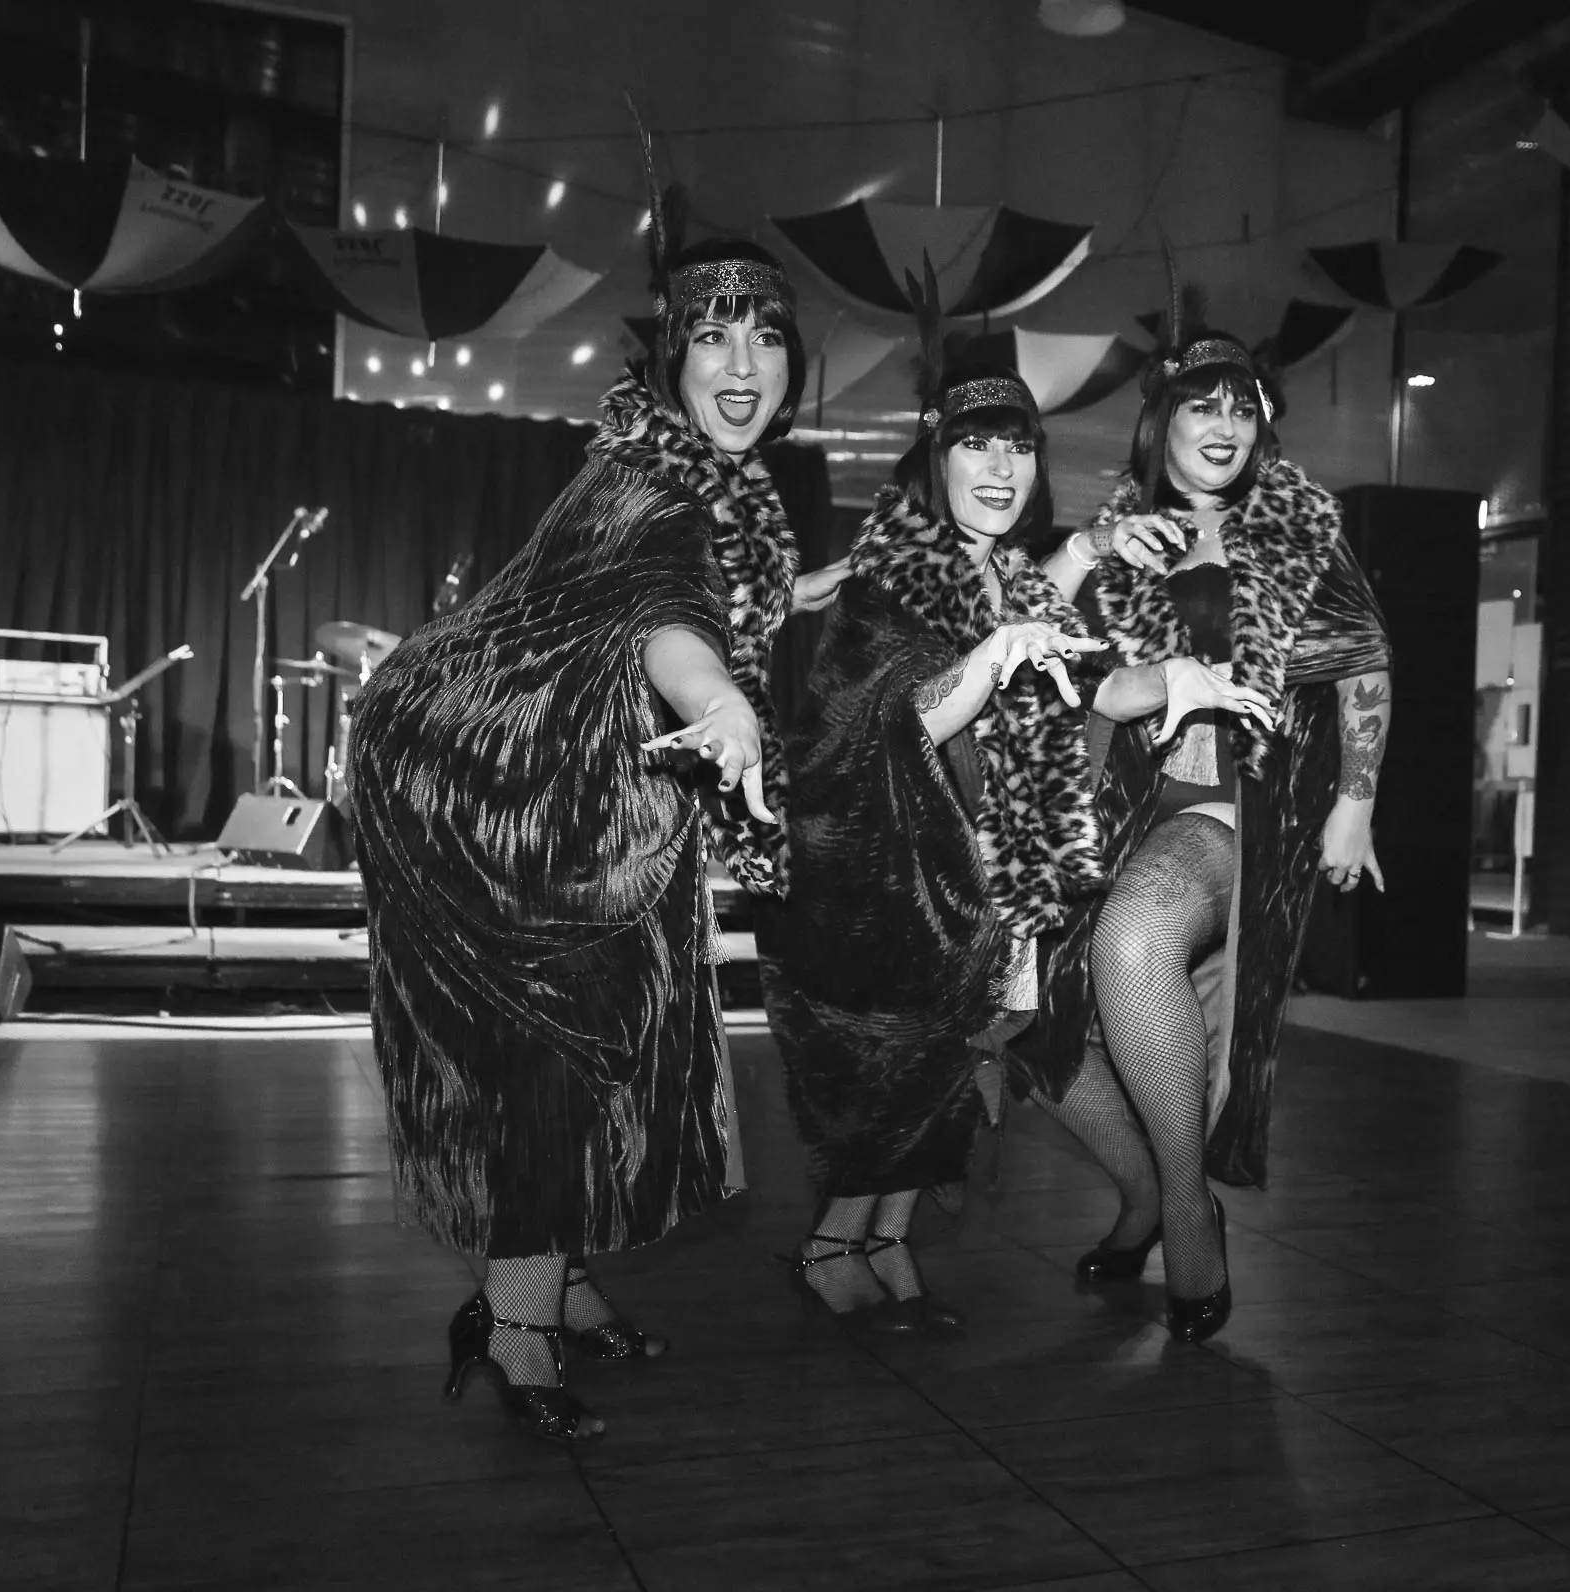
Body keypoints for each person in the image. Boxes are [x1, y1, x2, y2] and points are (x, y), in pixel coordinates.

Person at [346, 237, 843, 1440]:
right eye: (713, 336)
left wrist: (828, 588)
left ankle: (553, 1289)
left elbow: (721, 596)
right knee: (556, 1061)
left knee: (605, 1039)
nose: (741, 363)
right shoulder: (653, 485)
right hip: (494, 789)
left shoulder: (710, 484)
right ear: (674, 356)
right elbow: (669, 613)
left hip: (578, 785)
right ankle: (513, 1327)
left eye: (765, 337)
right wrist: (721, 701)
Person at [1017, 332, 1393, 1344]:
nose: (1225, 425)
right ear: (1163, 421)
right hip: (1114, 811)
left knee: (1132, 944)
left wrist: (1354, 802)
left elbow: (1364, 663)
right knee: (1015, 1022)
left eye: (1245, 406)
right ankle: (1142, 1194)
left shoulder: (1299, 529)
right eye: (1202, 405)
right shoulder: (1122, 532)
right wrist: (1092, 551)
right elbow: (1032, 651)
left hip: (1240, 806)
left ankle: (1188, 1211)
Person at [761, 365, 1107, 1334]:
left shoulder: (1010, 570)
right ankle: (835, 1242)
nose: (1001, 467)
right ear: (935, 458)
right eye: (977, 444)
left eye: (1020, 445)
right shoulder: (894, 568)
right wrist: (995, 657)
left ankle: (885, 1240)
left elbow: (1066, 673)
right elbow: (897, 714)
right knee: (899, 1067)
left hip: (997, 866)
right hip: (905, 864)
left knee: (960, 1068)